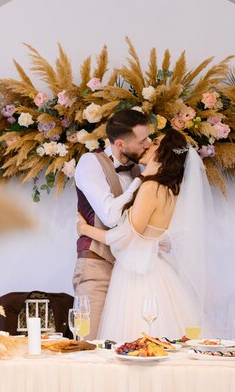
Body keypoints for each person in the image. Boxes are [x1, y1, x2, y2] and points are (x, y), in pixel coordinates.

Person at [77, 129, 211, 341]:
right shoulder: (171, 191)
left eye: (155, 142)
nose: (148, 145)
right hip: (158, 271)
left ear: (163, 153)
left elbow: (127, 237)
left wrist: (86, 230)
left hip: (139, 275)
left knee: (136, 340)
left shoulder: (150, 187)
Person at [73, 109, 152, 340]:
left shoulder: (140, 167)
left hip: (131, 272)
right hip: (97, 268)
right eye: (142, 140)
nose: (147, 144)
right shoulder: (90, 163)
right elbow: (110, 216)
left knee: (130, 345)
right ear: (120, 144)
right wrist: (139, 181)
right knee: (90, 344)